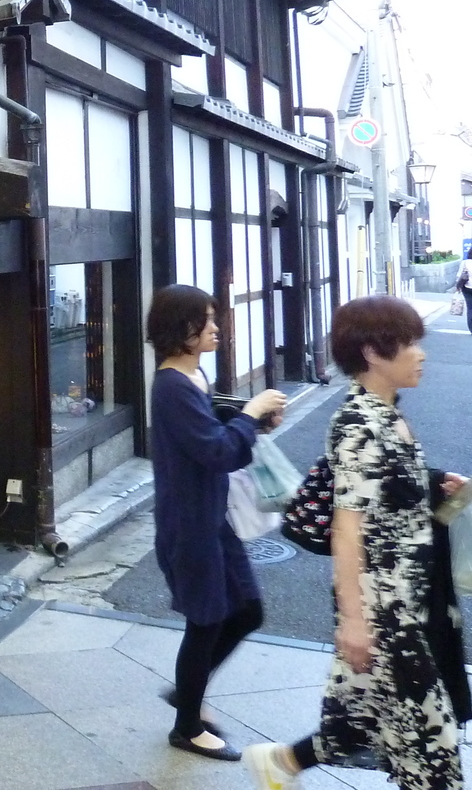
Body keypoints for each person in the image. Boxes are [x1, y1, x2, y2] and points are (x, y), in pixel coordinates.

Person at [243, 296, 470, 790]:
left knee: (359, 714)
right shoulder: (359, 425)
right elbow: (348, 527)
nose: (420, 353)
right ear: (372, 352)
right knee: (432, 747)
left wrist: (431, 484)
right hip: (385, 611)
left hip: (408, 598)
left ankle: (280, 763)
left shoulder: (388, 414)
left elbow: (388, 495)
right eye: (408, 343)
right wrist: (353, 621)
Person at [147, 284, 286, 762]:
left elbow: (213, 427)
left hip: (213, 519)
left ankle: (187, 695)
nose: (215, 327)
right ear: (178, 330)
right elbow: (218, 450)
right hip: (191, 526)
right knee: (205, 623)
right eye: (204, 321)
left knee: (247, 611)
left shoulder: (193, 377)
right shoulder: (170, 386)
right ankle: (187, 725)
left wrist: (251, 419)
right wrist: (249, 415)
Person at [454, 262, 471, 334]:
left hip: (467, 288)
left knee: (470, 308)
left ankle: (471, 327)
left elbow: (459, 275)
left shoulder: (465, 263)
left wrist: (458, 286)